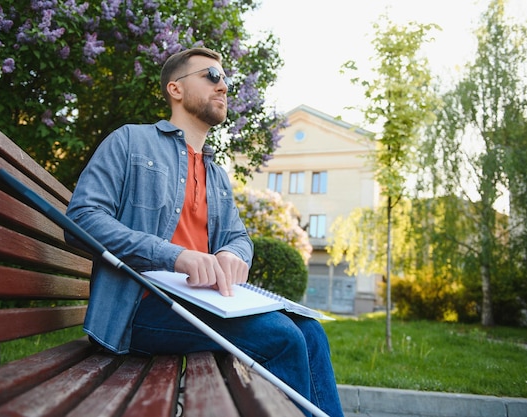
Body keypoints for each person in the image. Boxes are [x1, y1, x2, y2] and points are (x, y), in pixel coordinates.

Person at [65, 47, 344, 417]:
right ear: (175, 89)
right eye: (211, 76)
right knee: (282, 337)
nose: (223, 86)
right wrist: (173, 255)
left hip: (204, 304)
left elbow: (238, 237)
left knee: (311, 332)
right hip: (140, 307)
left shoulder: (216, 175)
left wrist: (232, 255)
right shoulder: (130, 141)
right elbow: (82, 218)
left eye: (225, 79)